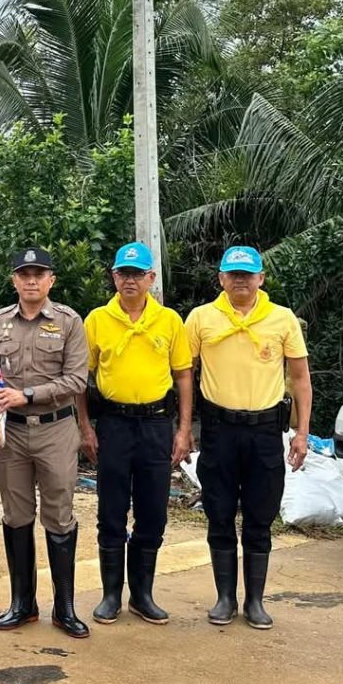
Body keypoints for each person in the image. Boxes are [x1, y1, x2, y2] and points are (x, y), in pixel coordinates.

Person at [186, 246, 311, 629]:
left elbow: (300, 378)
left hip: (264, 432)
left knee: (260, 515)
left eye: (247, 274)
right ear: (221, 279)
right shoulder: (201, 318)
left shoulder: (282, 318)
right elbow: (185, 373)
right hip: (219, 430)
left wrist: (302, 432)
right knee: (219, 513)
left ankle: (255, 601)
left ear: (261, 278)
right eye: (233, 274)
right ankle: (225, 598)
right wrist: (184, 427)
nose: (240, 280)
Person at [76, 242, 194, 626]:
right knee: (111, 510)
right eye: (123, 273)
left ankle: (142, 595)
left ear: (150, 278)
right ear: (114, 276)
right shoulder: (97, 320)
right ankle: (111, 594)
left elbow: (183, 376)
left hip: (156, 425)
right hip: (113, 424)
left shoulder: (169, 320)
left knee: (153, 511)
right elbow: (81, 379)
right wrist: (85, 427)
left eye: (137, 273)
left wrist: (183, 430)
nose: (130, 280)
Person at [0, 247, 89, 639]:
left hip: (55, 429)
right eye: (24, 274)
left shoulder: (68, 322)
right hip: (10, 434)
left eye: (38, 274)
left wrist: (26, 395)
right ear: (14, 280)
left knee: (59, 514)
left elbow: (76, 380)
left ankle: (65, 608)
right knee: (16, 514)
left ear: (50, 281)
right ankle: (22, 603)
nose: (31, 280)